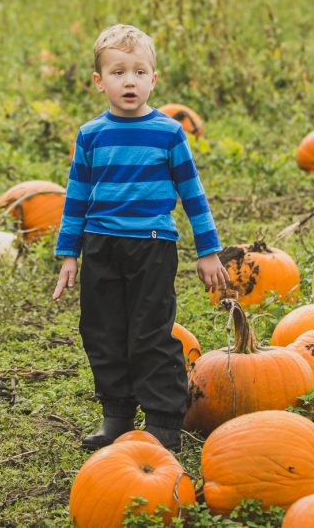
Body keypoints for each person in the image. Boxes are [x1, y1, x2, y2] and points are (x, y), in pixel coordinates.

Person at [51, 23, 229, 452]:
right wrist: (69, 253)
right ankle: (117, 413)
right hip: (100, 245)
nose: (128, 80)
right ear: (99, 81)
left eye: (138, 71)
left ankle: (164, 421)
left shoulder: (168, 133)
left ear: (154, 78)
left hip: (152, 244)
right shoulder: (91, 135)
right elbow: (76, 196)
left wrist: (208, 250)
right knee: (102, 330)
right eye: (117, 72)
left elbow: (192, 193)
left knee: (150, 332)